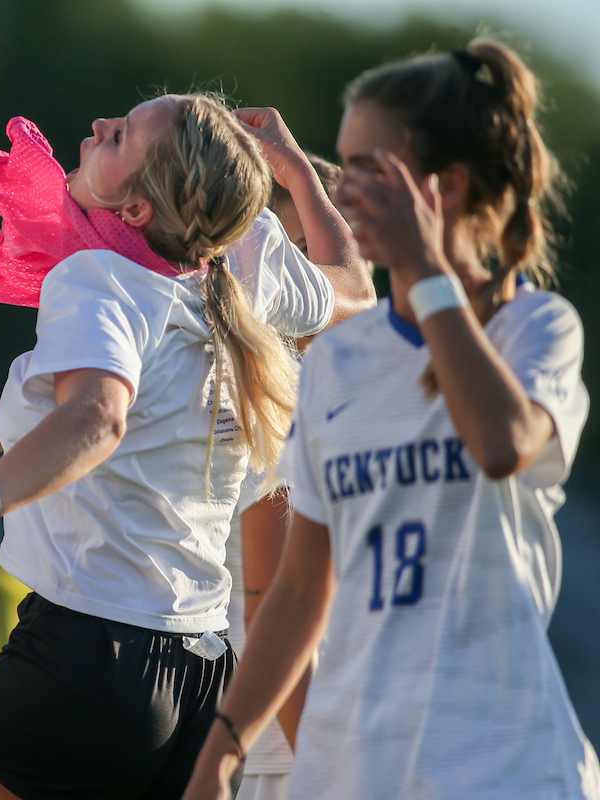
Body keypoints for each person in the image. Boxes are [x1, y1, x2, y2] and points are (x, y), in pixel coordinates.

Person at [0, 91, 374, 799]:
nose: (97, 126)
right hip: (198, 681)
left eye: (120, 137)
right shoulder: (237, 273)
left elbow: (96, 420)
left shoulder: (98, 280)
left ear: (135, 211)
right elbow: (357, 292)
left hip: (89, 660)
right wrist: (300, 178)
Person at [185, 38, 600, 800]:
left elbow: (502, 441)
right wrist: (222, 750)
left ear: (444, 186)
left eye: (369, 169)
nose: (344, 192)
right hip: (355, 768)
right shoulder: (341, 364)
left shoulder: (536, 328)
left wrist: (427, 270)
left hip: (502, 760)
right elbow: (300, 587)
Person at [226, 152, 345, 800]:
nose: (315, 284)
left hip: (340, 732)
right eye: (295, 253)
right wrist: (329, 769)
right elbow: (272, 597)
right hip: (285, 746)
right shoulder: (266, 392)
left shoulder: (336, 389)